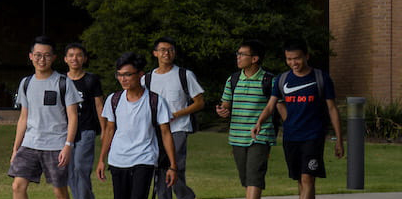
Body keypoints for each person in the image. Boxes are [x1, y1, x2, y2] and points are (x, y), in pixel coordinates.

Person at [97, 52, 180, 199]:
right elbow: (110, 130)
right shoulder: (113, 100)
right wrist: (101, 160)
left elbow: (166, 133)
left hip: (144, 158)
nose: (123, 79)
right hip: (118, 159)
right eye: (119, 75)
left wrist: (173, 165)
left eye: (128, 74)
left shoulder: (156, 101)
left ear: (140, 75)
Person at [10, 37, 83, 199]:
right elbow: (23, 117)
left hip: (56, 145)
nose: (41, 60)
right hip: (30, 143)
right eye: (37, 55)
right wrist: (16, 148)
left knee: (59, 191)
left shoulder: (64, 82)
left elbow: (73, 117)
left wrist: (68, 145)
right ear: (30, 56)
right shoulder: (26, 83)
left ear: (54, 58)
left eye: (46, 55)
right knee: (17, 186)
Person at [270, 42, 345, 199]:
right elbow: (277, 103)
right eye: (289, 59)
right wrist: (288, 122)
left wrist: (339, 139)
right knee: (300, 179)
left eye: (296, 58)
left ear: (307, 56)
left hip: (313, 135)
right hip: (291, 137)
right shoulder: (282, 79)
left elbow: (332, 109)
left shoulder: (321, 78)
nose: (293, 63)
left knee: (308, 178)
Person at [214, 40, 278, 199]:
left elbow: (275, 107)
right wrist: (223, 111)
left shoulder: (269, 80)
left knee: (255, 177)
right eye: (238, 54)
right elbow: (226, 104)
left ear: (254, 59)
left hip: (260, 136)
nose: (238, 57)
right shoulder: (233, 80)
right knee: (247, 179)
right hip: (237, 136)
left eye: (242, 54)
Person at [142, 38, 204, 199]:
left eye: (170, 50)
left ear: (174, 53)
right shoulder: (146, 79)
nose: (166, 53)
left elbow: (199, 103)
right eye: (162, 50)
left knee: (175, 168)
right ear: (155, 53)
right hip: (155, 131)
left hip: (178, 128)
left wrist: (175, 115)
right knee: (160, 169)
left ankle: (186, 196)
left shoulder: (185, 75)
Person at [63, 43, 105, 199]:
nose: (75, 58)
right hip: (66, 132)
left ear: (85, 59)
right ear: (65, 59)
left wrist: (104, 130)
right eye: (71, 55)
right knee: (70, 170)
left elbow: (99, 105)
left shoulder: (91, 79)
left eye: (79, 55)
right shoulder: (61, 81)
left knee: (81, 167)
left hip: (86, 129)